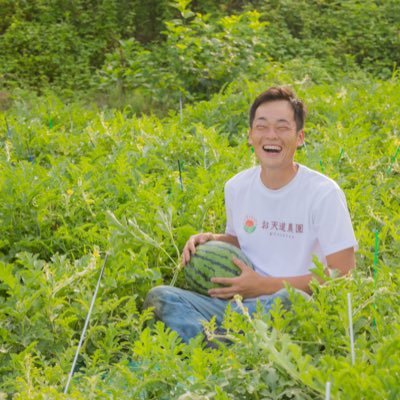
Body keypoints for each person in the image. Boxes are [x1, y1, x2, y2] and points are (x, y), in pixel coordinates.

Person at [143, 86, 358, 344]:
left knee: (293, 302)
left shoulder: (324, 193)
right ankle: (235, 345)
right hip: (237, 305)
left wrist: (262, 286)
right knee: (161, 297)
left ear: (300, 137)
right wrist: (209, 239)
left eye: (282, 127)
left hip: (285, 304)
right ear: (250, 135)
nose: (271, 135)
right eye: (262, 126)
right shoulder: (236, 187)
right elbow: (242, 239)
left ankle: (214, 344)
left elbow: (343, 274)